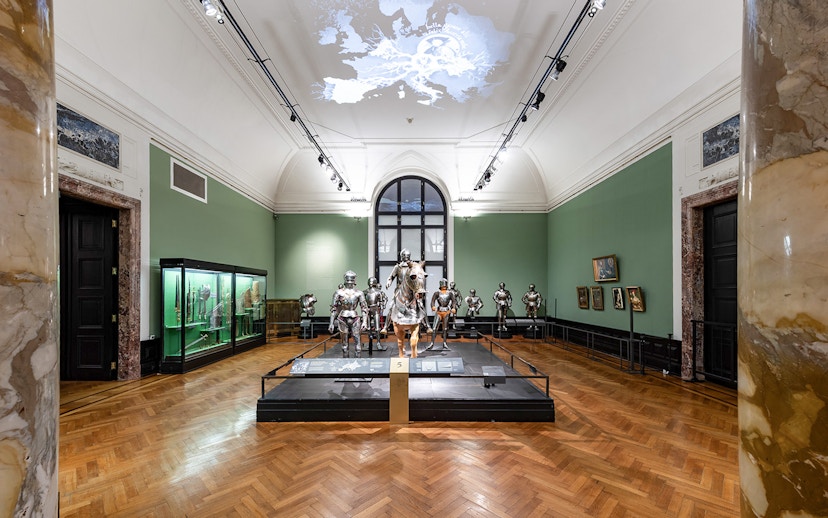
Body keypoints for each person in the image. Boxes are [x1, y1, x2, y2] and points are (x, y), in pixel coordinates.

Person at [328, 270, 368, 357]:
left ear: (354, 281)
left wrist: (365, 321)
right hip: (343, 318)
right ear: (345, 280)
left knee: (358, 344)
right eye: (349, 280)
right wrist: (331, 323)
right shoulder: (338, 292)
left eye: (351, 280)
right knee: (344, 344)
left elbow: (364, 308)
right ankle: (345, 364)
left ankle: (358, 364)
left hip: (355, 317)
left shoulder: (359, 293)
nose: (350, 282)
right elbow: (333, 308)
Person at [382, 248, 413, 334]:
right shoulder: (398, 267)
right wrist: (389, 282)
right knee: (391, 306)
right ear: (401, 256)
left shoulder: (413, 266)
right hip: (399, 290)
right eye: (404, 256)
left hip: (411, 290)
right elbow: (391, 277)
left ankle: (427, 326)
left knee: (420, 306)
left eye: (407, 256)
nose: (405, 258)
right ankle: (385, 327)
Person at [427, 278, 457, 350]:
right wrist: (433, 306)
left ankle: (444, 342)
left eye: (444, 284)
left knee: (445, 328)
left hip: (446, 311)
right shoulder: (437, 293)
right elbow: (432, 300)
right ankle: (432, 343)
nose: (444, 286)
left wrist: (453, 308)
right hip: (439, 311)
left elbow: (454, 301)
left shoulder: (450, 293)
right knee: (434, 328)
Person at [363, 277, 387, 349]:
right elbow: (362, 302)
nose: (371, 284)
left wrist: (382, 307)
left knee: (377, 328)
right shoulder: (365, 292)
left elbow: (383, 300)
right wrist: (364, 308)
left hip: (375, 309)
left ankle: (378, 342)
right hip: (368, 309)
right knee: (368, 327)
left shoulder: (378, 292)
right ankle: (370, 343)